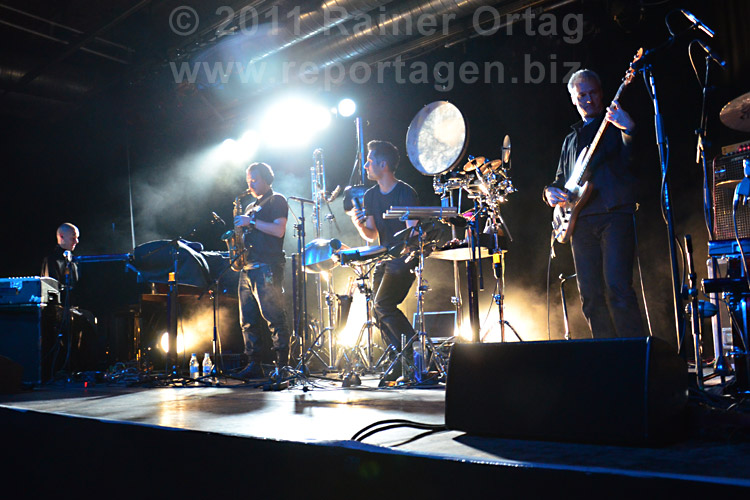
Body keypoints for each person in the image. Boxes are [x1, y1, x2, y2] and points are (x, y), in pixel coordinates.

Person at [543, 69, 645, 339]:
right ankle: (607, 355)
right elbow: (559, 181)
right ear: (574, 100)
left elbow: (634, 159)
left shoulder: (614, 124)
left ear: (602, 92)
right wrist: (550, 194)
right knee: (590, 295)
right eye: (582, 95)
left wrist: (630, 130)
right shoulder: (571, 139)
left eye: (593, 93)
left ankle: (634, 356)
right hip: (579, 222)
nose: (589, 99)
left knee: (618, 288)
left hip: (615, 214)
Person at [350, 140, 419, 380]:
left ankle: (412, 353)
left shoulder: (405, 191)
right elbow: (371, 233)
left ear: (383, 164)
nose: (366, 165)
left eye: (370, 161)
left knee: (382, 305)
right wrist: (358, 222)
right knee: (377, 310)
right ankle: (399, 360)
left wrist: (405, 250)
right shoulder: (370, 195)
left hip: (404, 258)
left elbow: (414, 232)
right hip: (384, 257)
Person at [233, 162, 291, 378]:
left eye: (254, 179)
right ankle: (253, 364)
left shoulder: (277, 200)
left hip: (267, 266)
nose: (250, 184)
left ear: (267, 179)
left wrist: (252, 222)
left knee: (274, 316)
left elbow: (278, 230)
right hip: (247, 267)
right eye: (248, 180)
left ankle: (282, 365)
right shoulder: (249, 207)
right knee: (247, 320)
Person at [41, 222, 80, 289]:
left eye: (77, 238)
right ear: (62, 237)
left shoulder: (73, 260)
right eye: (73, 237)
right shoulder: (50, 259)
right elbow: (51, 288)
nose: (77, 241)